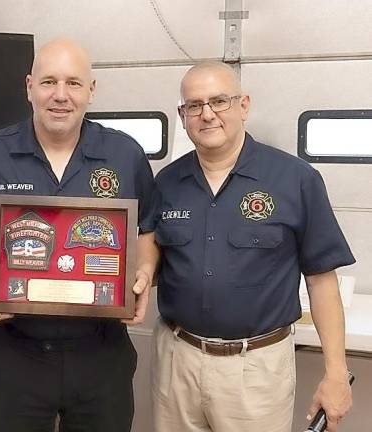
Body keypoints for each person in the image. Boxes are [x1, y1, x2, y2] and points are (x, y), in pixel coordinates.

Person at [0, 38, 157, 432]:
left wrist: (143, 275)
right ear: (28, 87)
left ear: (91, 90)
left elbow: (148, 228)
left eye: (73, 83)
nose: (60, 95)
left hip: (101, 353)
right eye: (48, 82)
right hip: (15, 353)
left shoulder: (125, 155)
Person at [146, 61, 355, 432]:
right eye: (194, 105)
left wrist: (335, 374)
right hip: (177, 362)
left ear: (244, 105)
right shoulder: (165, 184)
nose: (207, 114)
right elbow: (149, 266)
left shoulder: (296, 180)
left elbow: (322, 280)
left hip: (255, 370)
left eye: (219, 101)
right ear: (182, 116)